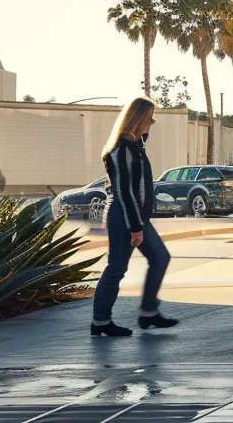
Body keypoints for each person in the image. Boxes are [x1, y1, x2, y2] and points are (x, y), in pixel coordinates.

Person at [91, 96, 179, 336]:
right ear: (138, 118)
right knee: (116, 268)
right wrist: (136, 227)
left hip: (135, 217)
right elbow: (124, 190)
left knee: (160, 257)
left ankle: (148, 313)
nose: (152, 121)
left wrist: (139, 222)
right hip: (124, 216)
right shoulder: (121, 148)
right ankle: (100, 321)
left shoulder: (134, 145)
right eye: (149, 117)